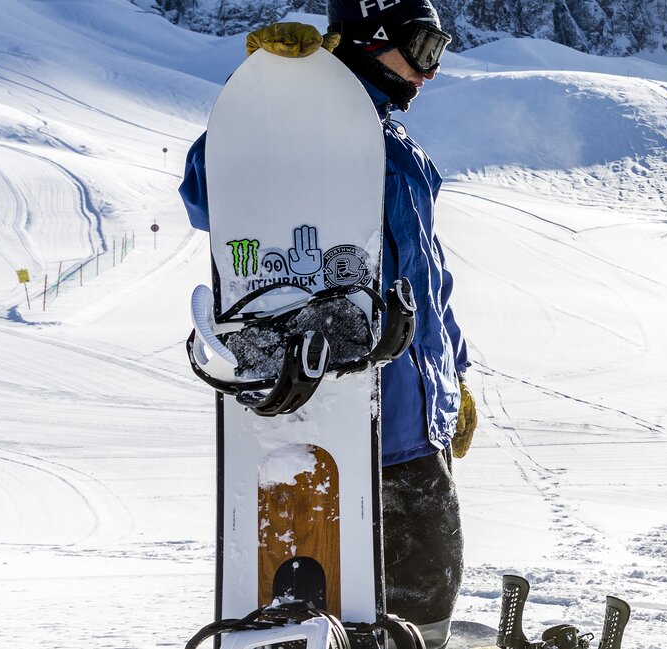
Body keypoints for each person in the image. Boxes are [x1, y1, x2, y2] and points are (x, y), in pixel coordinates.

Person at [178, 4, 476, 647]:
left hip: (415, 413)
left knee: (429, 577)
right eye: (422, 48)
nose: (431, 72)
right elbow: (210, 198)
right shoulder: (300, 130)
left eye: (441, 50)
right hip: (344, 414)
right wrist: (267, 95)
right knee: (358, 582)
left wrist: (454, 385)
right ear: (371, 39)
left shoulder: (393, 143)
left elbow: (428, 281)